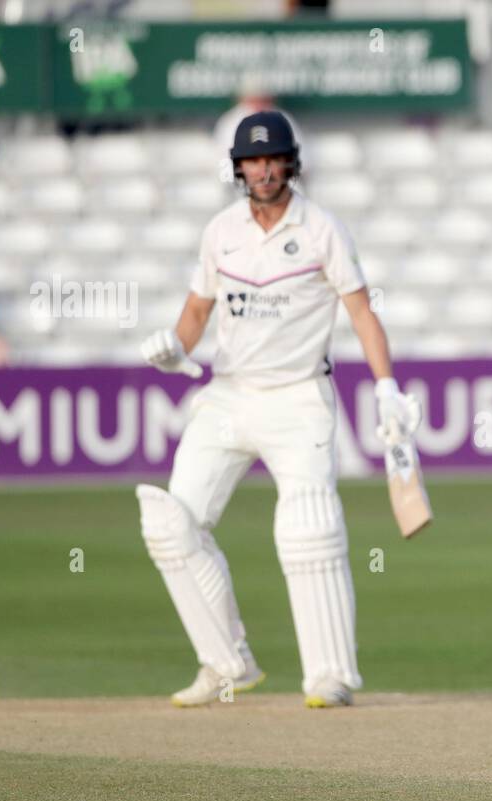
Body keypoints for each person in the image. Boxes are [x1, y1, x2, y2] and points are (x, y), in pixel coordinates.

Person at [137, 110, 420, 709]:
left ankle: (330, 675)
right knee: (169, 522)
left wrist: (386, 385)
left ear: (290, 163)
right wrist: (173, 347)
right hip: (228, 394)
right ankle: (226, 664)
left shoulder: (322, 230)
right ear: (238, 168)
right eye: (252, 160)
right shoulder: (220, 232)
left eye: (273, 159)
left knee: (308, 527)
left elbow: (363, 312)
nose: (263, 169)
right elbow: (195, 313)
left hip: (298, 400)